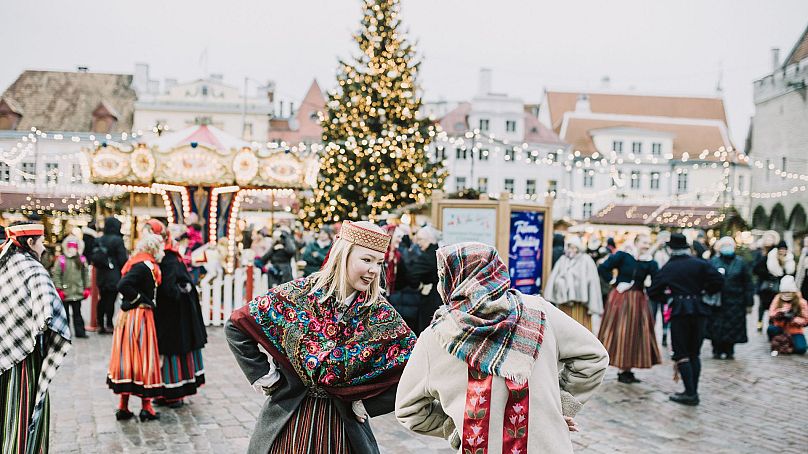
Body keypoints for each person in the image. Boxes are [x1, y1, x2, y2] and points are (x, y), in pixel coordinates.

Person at [395, 242, 608, 453]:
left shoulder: (436, 336)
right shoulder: (540, 312)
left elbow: (409, 410)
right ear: (496, 271)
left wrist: (456, 425)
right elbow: (594, 357)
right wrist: (558, 406)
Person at [225, 220, 416, 454]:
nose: (374, 270)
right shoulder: (297, 295)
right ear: (342, 255)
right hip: (289, 421)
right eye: (366, 260)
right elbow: (237, 325)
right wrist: (264, 376)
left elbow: (415, 365)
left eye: (379, 262)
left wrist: (369, 403)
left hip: (343, 430)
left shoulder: (379, 313)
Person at [0, 222, 72, 453]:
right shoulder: (34, 270)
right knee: (22, 412)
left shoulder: (6, 264)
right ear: (30, 243)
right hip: (25, 357)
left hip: (3, 349)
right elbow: (48, 316)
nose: (43, 248)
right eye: (41, 242)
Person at [648, 233, 724, 406]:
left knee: (682, 353)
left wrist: (667, 298)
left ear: (670, 249)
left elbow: (653, 290)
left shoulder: (670, 267)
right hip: (699, 310)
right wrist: (705, 292)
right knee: (694, 353)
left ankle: (690, 393)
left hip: (680, 311)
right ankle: (692, 391)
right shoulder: (700, 264)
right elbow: (718, 280)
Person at [146, 220, 208, 407]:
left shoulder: (169, 258)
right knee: (166, 352)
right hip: (169, 312)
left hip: (176, 313)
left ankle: (174, 393)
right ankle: (166, 392)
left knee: (174, 351)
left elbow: (170, 288)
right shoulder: (162, 257)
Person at [107, 234, 165, 421]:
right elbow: (123, 284)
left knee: (128, 359)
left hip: (131, 317)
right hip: (138, 316)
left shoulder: (139, 262)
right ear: (154, 248)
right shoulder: (143, 266)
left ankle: (124, 406)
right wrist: (141, 300)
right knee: (143, 359)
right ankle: (146, 407)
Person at [597, 233, 661, 384]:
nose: (646, 245)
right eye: (644, 242)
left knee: (635, 334)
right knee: (621, 332)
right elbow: (603, 267)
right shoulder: (623, 256)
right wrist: (613, 281)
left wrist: (650, 286)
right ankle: (621, 368)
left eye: (648, 243)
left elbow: (657, 278)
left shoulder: (649, 262)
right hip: (621, 299)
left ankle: (628, 369)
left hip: (638, 299)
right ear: (637, 242)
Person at [706, 237, 754, 359]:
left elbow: (748, 283)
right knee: (716, 326)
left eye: (729, 245)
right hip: (718, 301)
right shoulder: (713, 262)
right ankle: (716, 349)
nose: (727, 247)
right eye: (724, 245)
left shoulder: (741, 263)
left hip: (736, 300)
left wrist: (749, 302)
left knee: (733, 326)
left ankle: (729, 349)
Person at [545, 235, 603, 331]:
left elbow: (592, 282)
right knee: (565, 327)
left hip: (581, 305)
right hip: (565, 303)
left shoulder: (586, 260)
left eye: (573, 247)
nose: (571, 250)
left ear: (578, 248)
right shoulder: (562, 260)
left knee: (580, 327)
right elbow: (554, 278)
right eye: (569, 247)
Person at [91, 217, 128, 334]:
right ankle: (109, 324)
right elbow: (123, 259)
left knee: (102, 299)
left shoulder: (100, 239)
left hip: (101, 274)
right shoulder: (118, 240)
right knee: (111, 300)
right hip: (114, 274)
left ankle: (100, 323)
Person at [52, 235, 90, 339]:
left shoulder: (81, 260)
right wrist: (59, 289)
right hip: (65, 292)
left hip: (77, 292)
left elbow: (85, 275)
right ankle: (65, 332)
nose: (72, 249)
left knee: (78, 313)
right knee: (65, 314)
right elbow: (56, 275)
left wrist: (87, 288)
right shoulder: (61, 260)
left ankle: (80, 332)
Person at [408, 225, 441, 334]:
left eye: (420, 239)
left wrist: (419, 286)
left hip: (430, 298)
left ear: (430, 239)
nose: (418, 243)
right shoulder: (439, 252)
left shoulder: (427, 256)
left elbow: (412, 275)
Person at [752, 232, 785, 332]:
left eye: (771, 239)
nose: (769, 241)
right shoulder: (760, 252)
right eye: (767, 238)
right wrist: (766, 273)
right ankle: (760, 321)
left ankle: (772, 322)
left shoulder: (776, 251)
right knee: (762, 304)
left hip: (775, 283)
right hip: (763, 283)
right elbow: (755, 268)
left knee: (774, 304)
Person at [767, 275, 808, 356]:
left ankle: (788, 344)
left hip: (795, 330)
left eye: (789, 292)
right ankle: (777, 340)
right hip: (779, 328)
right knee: (771, 329)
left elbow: (806, 320)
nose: (786, 294)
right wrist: (780, 313)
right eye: (784, 292)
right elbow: (771, 313)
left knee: (801, 349)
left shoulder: (801, 302)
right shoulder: (778, 298)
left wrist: (793, 319)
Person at [650, 231, 672, 346]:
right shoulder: (655, 252)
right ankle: (651, 336)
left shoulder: (669, 251)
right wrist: (656, 246)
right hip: (654, 286)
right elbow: (648, 256)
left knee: (666, 313)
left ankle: (664, 334)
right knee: (652, 312)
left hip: (667, 288)